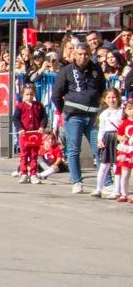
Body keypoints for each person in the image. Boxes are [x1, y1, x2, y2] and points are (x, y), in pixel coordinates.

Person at [52, 43, 104, 193]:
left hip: (93, 116)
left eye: (86, 54)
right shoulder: (67, 70)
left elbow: (102, 91)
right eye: (80, 54)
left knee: (99, 149)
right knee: (74, 150)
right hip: (74, 115)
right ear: (74, 55)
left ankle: (105, 182)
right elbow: (56, 94)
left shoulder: (96, 69)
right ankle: (77, 182)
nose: (83, 57)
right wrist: (65, 111)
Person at [12, 84, 47, 185]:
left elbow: (44, 117)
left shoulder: (39, 105)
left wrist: (42, 126)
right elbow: (16, 118)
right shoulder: (20, 106)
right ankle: (23, 173)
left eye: (31, 94)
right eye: (27, 94)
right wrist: (20, 128)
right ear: (23, 95)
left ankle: (33, 174)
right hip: (25, 134)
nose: (29, 97)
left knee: (34, 154)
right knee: (24, 154)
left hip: (35, 134)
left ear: (34, 94)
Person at [93, 88, 123, 197]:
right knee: (104, 165)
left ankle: (117, 191)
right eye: (109, 97)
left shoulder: (122, 112)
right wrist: (100, 140)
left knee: (116, 165)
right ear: (105, 99)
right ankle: (98, 189)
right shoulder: (104, 114)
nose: (111, 100)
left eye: (114, 97)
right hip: (107, 138)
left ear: (118, 98)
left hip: (118, 137)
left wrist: (122, 124)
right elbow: (102, 129)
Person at [114, 100, 133, 202]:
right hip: (126, 151)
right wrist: (123, 138)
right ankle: (124, 194)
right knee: (125, 174)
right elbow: (119, 135)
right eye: (130, 109)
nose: (132, 111)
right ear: (125, 110)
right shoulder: (124, 122)